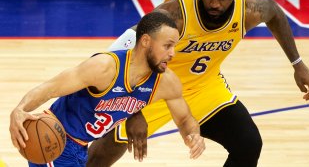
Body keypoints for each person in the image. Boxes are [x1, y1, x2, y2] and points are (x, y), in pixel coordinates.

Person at [87, 0, 309, 167]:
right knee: (99, 158)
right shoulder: (173, 14)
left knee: (248, 143)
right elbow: (122, 54)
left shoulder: (250, 8)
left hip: (203, 87)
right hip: (154, 88)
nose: (214, 3)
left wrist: (298, 64)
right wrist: (133, 112)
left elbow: (276, 14)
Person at [9, 12, 205, 167]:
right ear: (145, 41)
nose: (172, 54)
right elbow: (49, 88)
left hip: (81, 148)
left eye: (174, 47)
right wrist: (20, 110)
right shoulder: (104, 67)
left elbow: (185, 119)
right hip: (54, 140)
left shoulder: (165, 82)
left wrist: (193, 136)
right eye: (167, 46)